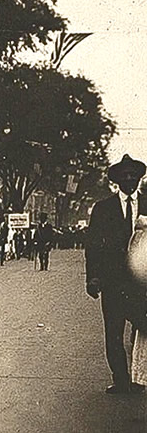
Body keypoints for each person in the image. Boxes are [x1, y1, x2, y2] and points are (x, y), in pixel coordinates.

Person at [83, 155, 147, 394]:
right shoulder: (103, 208)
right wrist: (92, 277)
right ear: (117, 180)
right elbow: (93, 245)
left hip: (143, 283)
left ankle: (139, 377)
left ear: (140, 177)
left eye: (133, 174)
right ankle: (121, 380)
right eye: (124, 175)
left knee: (142, 330)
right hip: (112, 282)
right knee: (113, 332)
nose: (129, 179)